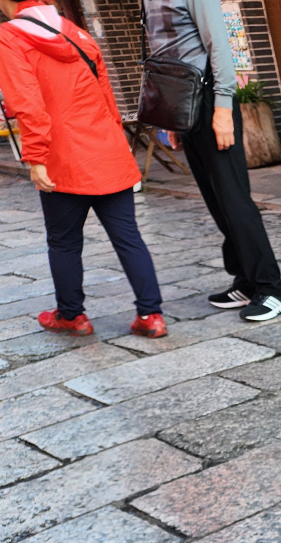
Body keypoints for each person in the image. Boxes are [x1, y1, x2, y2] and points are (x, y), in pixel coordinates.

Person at [0, 0, 166, 338]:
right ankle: (152, 316)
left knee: (63, 241)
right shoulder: (75, 32)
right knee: (129, 237)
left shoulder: (9, 37)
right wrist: (117, 143)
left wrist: (36, 157)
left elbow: (27, 103)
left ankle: (72, 316)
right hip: (106, 149)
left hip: (63, 156)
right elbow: (107, 96)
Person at [142, 0, 281, 322]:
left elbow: (220, 46)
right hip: (186, 102)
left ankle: (272, 289)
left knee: (234, 199)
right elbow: (166, 53)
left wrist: (223, 108)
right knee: (216, 201)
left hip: (211, 99)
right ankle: (246, 280)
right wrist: (172, 119)